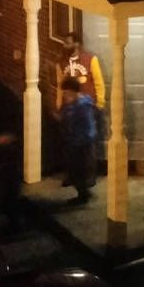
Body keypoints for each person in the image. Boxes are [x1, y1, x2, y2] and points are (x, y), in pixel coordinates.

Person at [56, 31, 107, 169]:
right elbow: (60, 86)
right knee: (70, 143)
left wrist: (100, 103)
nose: (64, 45)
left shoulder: (90, 59)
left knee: (89, 143)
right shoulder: (61, 63)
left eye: (68, 43)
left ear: (77, 44)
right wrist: (59, 104)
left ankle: (89, 174)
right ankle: (73, 173)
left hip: (87, 108)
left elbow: (99, 82)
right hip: (69, 109)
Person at [58, 76, 97, 205]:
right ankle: (83, 191)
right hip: (75, 142)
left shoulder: (82, 106)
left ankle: (83, 196)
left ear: (73, 92)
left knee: (79, 170)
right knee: (77, 170)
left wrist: (79, 140)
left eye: (66, 93)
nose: (65, 96)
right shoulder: (73, 105)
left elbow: (87, 127)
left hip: (81, 144)